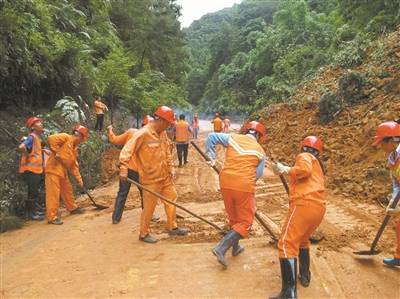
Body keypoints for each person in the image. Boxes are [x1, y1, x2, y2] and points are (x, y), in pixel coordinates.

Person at [119, 106, 188, 243]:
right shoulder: (143, 134)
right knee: (149, 207)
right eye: (168, 123)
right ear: (161, 120)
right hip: (150, 179)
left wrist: (171, 168)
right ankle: (143, 234)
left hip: (165, 176)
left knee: (172, 198)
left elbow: (167, 151)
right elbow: (127, 150)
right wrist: (123, 168)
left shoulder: (162, 133)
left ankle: (172, 227)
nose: (169, 126)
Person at [270, 136, 326, 299]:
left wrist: (286, 169)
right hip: (318, 207)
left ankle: (289, 293)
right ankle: (305, 275)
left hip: (304, 204)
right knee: (302, 240)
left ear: (304, 147)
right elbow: (305, 176)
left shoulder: (305, 156)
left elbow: (304, 170)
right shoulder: (319, 166)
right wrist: (283, 170)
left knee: (286, 242)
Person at [205, 121, 266, 268]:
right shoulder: (260, 151)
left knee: (234, 217)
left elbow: (211, 137)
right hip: (243, 185)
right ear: (258, 136)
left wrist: (212, 157)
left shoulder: (233, 138)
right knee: (245, 222)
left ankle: (235, 247)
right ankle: (221, 248)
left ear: (246, 131)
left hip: (225, 181)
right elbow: (257, 175)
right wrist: (246, 185)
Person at [108, 115, 159, 224]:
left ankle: (116, 218)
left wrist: (110, 131)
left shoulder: (131, 132)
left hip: (127, 168)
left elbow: (115, 140)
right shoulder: (153, 138)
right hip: (140, 171)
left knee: (122, 193)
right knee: (145, 193)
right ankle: (149, 214)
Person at [45, 125, 88, 225]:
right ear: (79, 135)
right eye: (82, 139)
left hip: (62, 172)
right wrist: (57, 152)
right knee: (53, 194)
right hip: (53, 170)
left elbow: (74, 167)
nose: (81, 141)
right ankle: (52, 217)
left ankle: (72, 208)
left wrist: (80, 181)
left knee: (67, 190)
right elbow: (51, 139)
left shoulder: (74, 149)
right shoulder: (66, 137)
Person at [372, 120, 400, 267]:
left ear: (391, 140)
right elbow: (396, 183)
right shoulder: (392, 158)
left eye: (382, 143)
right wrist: (394, 200)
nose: (380, 146)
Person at [18, 117, 48, 220]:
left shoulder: (36, 138)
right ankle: (32, 214)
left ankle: (34, 211)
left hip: (35, 170)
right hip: (30, 170)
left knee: (34, 191)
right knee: (32, 191)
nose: (41, 124)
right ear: (33, 127)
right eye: (38, 123)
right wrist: (28, 155)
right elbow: (22, 147)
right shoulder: (32, 137)